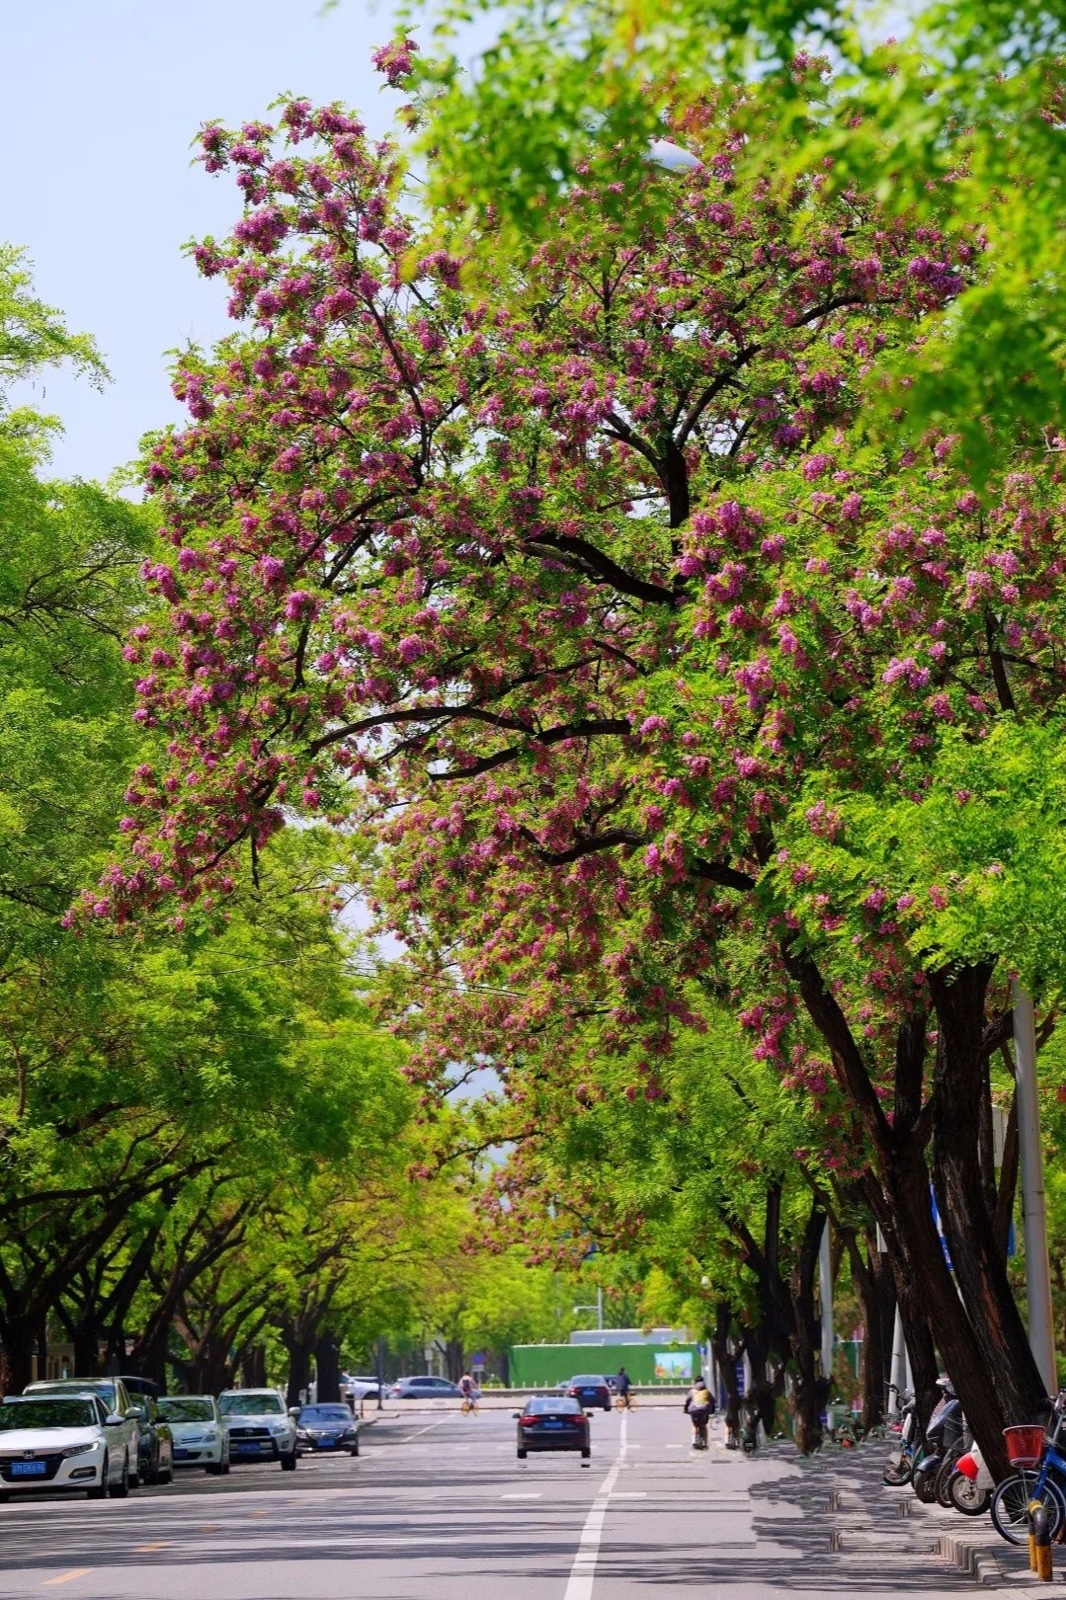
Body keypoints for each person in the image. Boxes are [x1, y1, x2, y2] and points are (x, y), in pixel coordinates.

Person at [684, 1374, 715, 1449]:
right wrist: (712, 1410)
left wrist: (685, 1409)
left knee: (695, 1425)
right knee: (703, 1425)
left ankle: (694, 1441)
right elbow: (713, 1401)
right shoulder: (706, 1391)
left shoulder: (692, 1391)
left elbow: (687, 1401)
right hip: (704, 1410)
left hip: (693, 1410)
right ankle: (704, 1442)